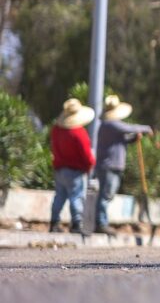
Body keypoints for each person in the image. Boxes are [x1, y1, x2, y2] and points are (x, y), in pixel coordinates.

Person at [93, 95, 153, 236]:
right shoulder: (110, 124)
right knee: (105, 194)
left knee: (108, 194)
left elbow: (122, 141)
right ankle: (101, 223)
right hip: (108, 166)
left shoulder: (112, 126)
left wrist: (134, 138)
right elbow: (128, 128)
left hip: (114, 165)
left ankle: (102, 221)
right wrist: (146, 128)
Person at [49, 98, 96, 234]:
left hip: (59, 170)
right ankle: (77, 224)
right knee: (76, 196)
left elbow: (54, 148)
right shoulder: (79, 133)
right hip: (75, 171)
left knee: (59, 197)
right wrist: (90, 165)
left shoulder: (56, 130)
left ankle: (54, 222)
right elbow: (87, 156)